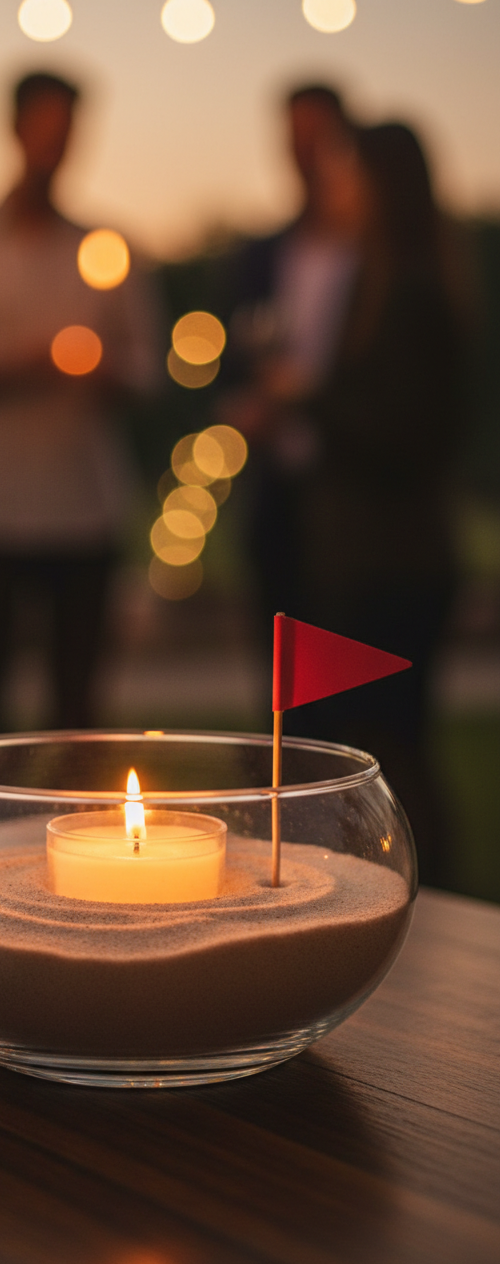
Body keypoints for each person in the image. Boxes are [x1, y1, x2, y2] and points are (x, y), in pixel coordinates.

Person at [0, 71, 160, 733]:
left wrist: (102, 370)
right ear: (14, 129)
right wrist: (7, 362)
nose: (57, 146)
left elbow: (146, 369)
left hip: (85, 505)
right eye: (46, 128)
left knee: (78, 711)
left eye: (68, 132)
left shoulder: (107, 248)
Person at [286, 122, 466, 884]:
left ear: (382, 184)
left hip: (394, 558)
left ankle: (430, 902)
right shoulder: (380, 284)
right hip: (370, 552)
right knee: (383, 738)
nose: (337, 189)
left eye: (349, 174)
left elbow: (405, 433)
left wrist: (308, 397)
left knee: (392, 746)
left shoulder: (414, 294)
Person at [219, 84, 360, 635]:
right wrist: (242, 407)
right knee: (281, 677)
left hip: (357, 496)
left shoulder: (376, 261)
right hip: (277, 494)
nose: (304, 154)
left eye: (316, 137)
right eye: (294, 139)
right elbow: (231, 359)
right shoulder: (260, 255)